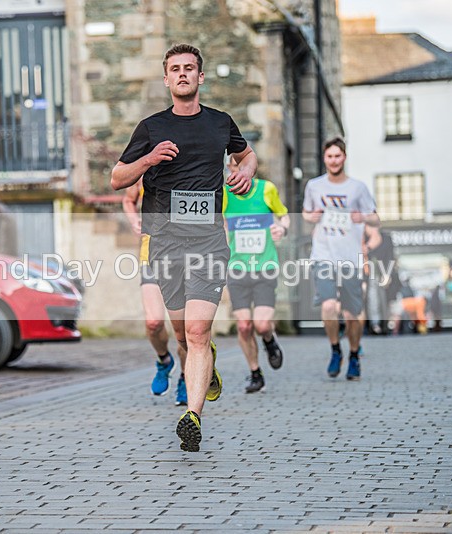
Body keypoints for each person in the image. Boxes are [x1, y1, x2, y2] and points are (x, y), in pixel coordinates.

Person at [111, 43, 257, 452]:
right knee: (180, 331)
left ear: (200, 77)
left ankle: (191, 416)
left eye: (189, 68)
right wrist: (149, 159)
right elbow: (116, 178)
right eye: (174, 69)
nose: (182, 74)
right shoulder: (151, 128)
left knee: (196, 329)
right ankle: (203, 363)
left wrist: (244, 171)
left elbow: (248, 155)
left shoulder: (220, 123)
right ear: (166, 78)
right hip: (164, 242)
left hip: (209, 240)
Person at [302, 137, 379, 380]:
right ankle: (336, 349)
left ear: (344, 157)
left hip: (350, 258)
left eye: (337, 156)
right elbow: (306, 214)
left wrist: (363, 218)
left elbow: (376, 219)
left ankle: (354, 354)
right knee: (328, 306)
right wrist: (311, 216)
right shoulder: (314, 186)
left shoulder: (358, 188)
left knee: (352, 313)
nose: (334, 160)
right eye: (329, 156)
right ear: (324, 159)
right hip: (323, 254)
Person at [222, 162, 289, 393]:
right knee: (243, 326)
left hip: (264, 267)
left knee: (261, 325)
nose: (236, 171)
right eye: (232, 166)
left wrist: (281, 228)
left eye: (241, 166)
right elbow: (219, 225)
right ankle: (255, 372)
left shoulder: (266, 189)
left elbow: (284, 215)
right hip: (237, 268)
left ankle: (269, 341)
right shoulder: (223, 195)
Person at [122, 177, 188, 405]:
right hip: (151, 254)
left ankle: (185, 377)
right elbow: (129, 200)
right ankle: (164, 360)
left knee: (185, 330)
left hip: (186, 255)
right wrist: (133, 220)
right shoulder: (145, 168)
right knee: (153, 322)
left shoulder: (192, 165)